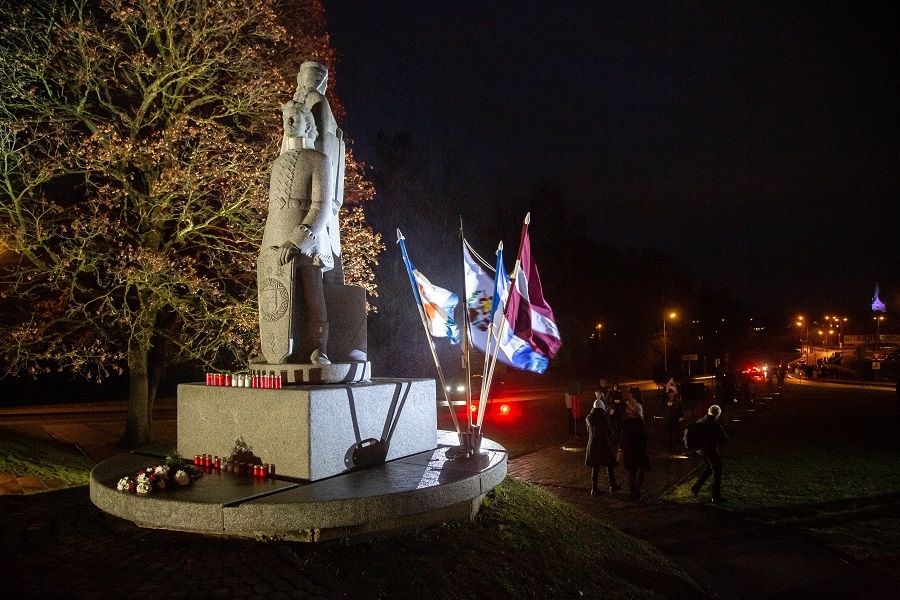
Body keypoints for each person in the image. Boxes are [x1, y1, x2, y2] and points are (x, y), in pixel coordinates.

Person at [258, 100, 335, 364]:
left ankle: (318, 348)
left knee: (312, 292)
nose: (289, 123)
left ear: (308, 123)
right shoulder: (278, 164)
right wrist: (267, 245)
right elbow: (272, 209)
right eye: (286, 118)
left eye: (294, 118)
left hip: (308, 239)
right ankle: (275, 346)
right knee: (275, 293)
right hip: (276, 236)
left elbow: (322, 207)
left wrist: (299, 238)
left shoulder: (319, 160)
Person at [690, 404, 730, 503]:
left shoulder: (700, 421)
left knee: (709, 468)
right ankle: (716, 496)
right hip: (710, 450)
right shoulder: (715, 425)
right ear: (717, 415)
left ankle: (696, 487)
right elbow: (725, 440)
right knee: (717, 471)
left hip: (700, 450)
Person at [585, 395, 621, 495]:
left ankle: (594, 488)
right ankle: (613, 485)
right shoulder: (603, 417)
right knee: (609, 464)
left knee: (596, 466)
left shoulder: (589, 418)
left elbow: (588, 430)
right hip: (603, 445)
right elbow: (608, 432)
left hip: (593, 445)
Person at [619, 394, 650, 501]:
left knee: (632, 472)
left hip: (629, 451)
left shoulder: (626, 422)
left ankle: (632, 493)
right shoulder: (639, 422)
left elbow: (623, 438)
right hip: (638, 450)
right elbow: (645, 436)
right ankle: (636, 491)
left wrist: (622, 448)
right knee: (642, 469)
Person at [664, 386, 685, 453]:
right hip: (668, 420)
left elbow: (681, 410)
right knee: (669, 434)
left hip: (676, 420)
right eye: (669, 392)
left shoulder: (678, 401)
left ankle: (679, 448)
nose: (671, 393)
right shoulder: (666, 400)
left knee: (677, 434)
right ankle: (670, 448)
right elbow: (663, 408)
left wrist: (681, 416)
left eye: (672, 391)